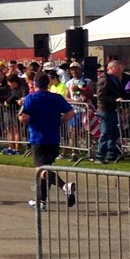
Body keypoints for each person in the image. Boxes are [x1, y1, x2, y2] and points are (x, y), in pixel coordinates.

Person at [19, 71, 77, 211]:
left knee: (41, 170)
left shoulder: (31, 98)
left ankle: (65, 186)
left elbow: (22, 116)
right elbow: (71, 113)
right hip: (54, 138)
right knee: (46, 168)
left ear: (35, 84)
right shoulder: (57, 98)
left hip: (38, 137)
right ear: (48, 83)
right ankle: (41, 201)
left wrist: (26, 118)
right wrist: (60, 122)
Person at [94, 60, 125, 163]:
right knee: (105, 133)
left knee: (114, 133)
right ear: (112, 68)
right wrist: (114, 100)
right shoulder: (104, 79)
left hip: (113, 109)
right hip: (106, 110)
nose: (120, 71)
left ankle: (111, 154)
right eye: (118, 69)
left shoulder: (115, 79)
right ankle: (100, 155)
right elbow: (101, 96)